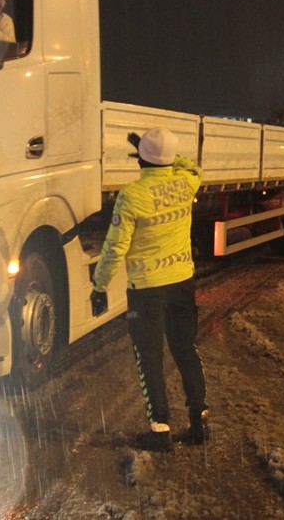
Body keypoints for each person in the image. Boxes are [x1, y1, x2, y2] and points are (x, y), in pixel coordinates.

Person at [91, 128, 208, 451]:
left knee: (150, 358)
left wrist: (99, 285)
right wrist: (162, 156)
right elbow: (193, 167)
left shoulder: (131, 195)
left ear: (141, 158)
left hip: (147, 291)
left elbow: (115, 248)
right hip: (182, 281)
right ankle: (199, 423)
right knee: (186, 350)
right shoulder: (187, 183)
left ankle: (160, 430)